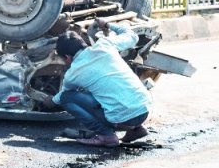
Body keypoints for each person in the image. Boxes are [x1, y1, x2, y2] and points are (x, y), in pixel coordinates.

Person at [52, 19, 152, 147]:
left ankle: (106, 136)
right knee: (109, 87)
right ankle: (137, 128)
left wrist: (50, 100)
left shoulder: (73, 73)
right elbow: (133, 36)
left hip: (122, 120)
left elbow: (63, 95)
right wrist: (107, 24)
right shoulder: (105, 44)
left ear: (67, 57)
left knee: (67, 98)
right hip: (144, 109)